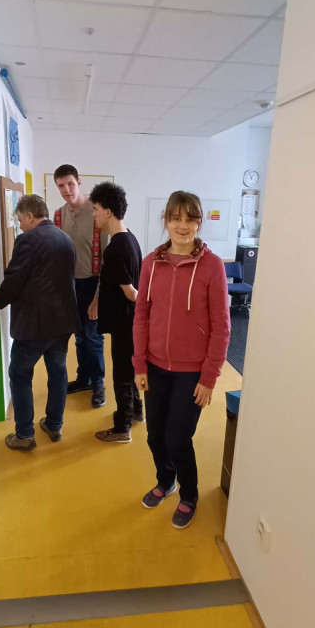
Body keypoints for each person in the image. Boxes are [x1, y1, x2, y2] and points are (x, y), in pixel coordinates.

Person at [133, 191, 230, 528]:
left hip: (192, 373)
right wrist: (140, 364)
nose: (183, 225)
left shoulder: (212, 266)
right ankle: (166, 481)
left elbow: (221, 326)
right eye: (176, 218)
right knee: (154, 436)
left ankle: (189, 494)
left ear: (199, 223)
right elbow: (142, 315)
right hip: (155, 367)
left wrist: (209, 377)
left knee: (177, 438)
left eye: (190, 219)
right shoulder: (151, 263)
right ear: (166, 221)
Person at [0, 194, 80, 451]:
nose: (20, 226)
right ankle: (54, 425)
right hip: (63, 322)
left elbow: (14, 281)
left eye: (20, 220)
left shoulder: (27, 240)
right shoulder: (65, 239)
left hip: (33, 325)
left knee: (20, 374)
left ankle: (25, 435)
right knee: (58, 372)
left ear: (29, 216)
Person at [89, 182, 143, 444]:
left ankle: (122, 428)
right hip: (129, 320)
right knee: (129, 369)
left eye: (96, 209)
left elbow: (131, 292)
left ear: (108, 211)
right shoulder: (130, 238)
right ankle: (136, 411)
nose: (94, 214)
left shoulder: (115, 249)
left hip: (125, 322)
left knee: (121, 374)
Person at [53, 164, 108, 408]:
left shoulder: (97, 213)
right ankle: (83, 379)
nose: (66, 190)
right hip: (69, 285)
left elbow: (107, 261)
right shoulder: (58, 216)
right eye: (61, 186)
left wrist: (98, 297)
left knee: (93, 336)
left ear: (79, 182)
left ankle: (98, 384)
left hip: (93, 283)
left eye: (70, 184)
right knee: (79, 337)